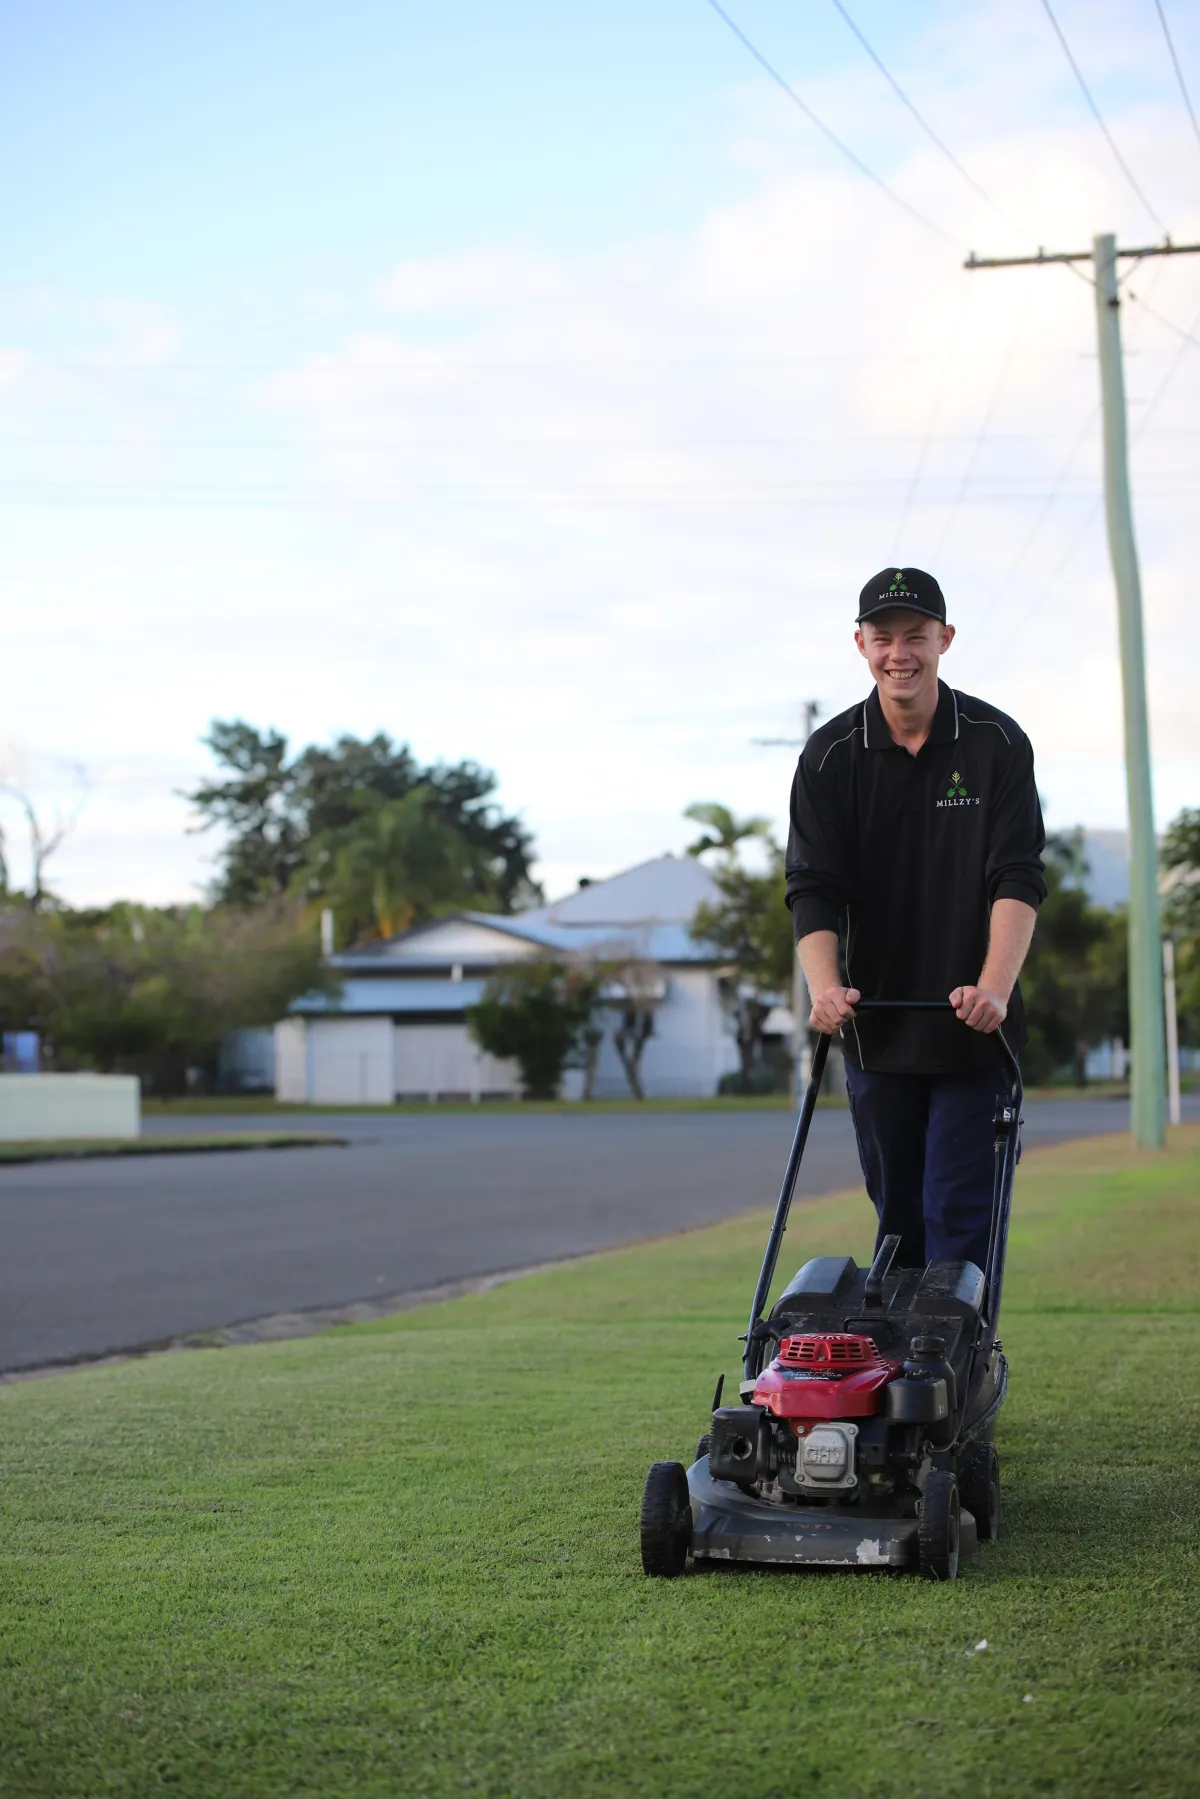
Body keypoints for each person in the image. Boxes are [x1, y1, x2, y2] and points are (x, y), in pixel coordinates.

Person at [784, 566, 1046, 1273]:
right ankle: (897, 1379)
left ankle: (952, 1375)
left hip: (974, 1034)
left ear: (945, 639)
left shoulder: (997, 744)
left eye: (916, 637)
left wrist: (993, 987)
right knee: (899, 1222)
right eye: (884, 637)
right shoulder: (829, 758)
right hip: (877, 1032)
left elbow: (1017, 875)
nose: (900, 653)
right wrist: (825, 987)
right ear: (861, 644)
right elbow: (813, 885)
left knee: (958, 1216)